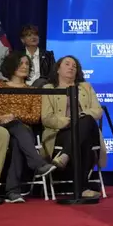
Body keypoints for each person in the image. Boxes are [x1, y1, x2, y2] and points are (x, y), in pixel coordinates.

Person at [0, 51, 56, 202]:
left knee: (18, 138)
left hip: (23, 131)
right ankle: (36, 164)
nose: (24, 66)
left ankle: (13, 192)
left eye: (27, 64)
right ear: (11, 65)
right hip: (1, 129)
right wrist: (5, 118)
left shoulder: (33, 92)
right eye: (21, 63)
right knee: (17, 129)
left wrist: (15, 115)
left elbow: (35, 117)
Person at [41, 55, 104, 199]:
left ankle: (65, 155)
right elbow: (46, 118)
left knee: (86, 120)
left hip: (88, 128)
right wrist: (68, 121)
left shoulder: (85, 87)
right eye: (67, 64)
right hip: (61, 132)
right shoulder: (49, 88)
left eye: (74, 66)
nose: (71, 67)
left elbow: (98, 111)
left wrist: (79, 116)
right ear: (58, 69)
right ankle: (83, 188)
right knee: (83, 140)